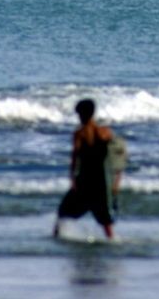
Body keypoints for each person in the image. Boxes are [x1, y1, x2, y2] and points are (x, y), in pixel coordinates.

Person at [53, 98, 118, 239]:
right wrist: (116, 179)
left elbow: (74, 158)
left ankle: (56, 236)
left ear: (82, 114)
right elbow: (116, 156)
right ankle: (112, 242)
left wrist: (72, 178)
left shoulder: (80, 134)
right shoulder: (106, 132)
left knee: (62, 211)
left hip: (85, 179)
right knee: (105, 220)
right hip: (101, 180)